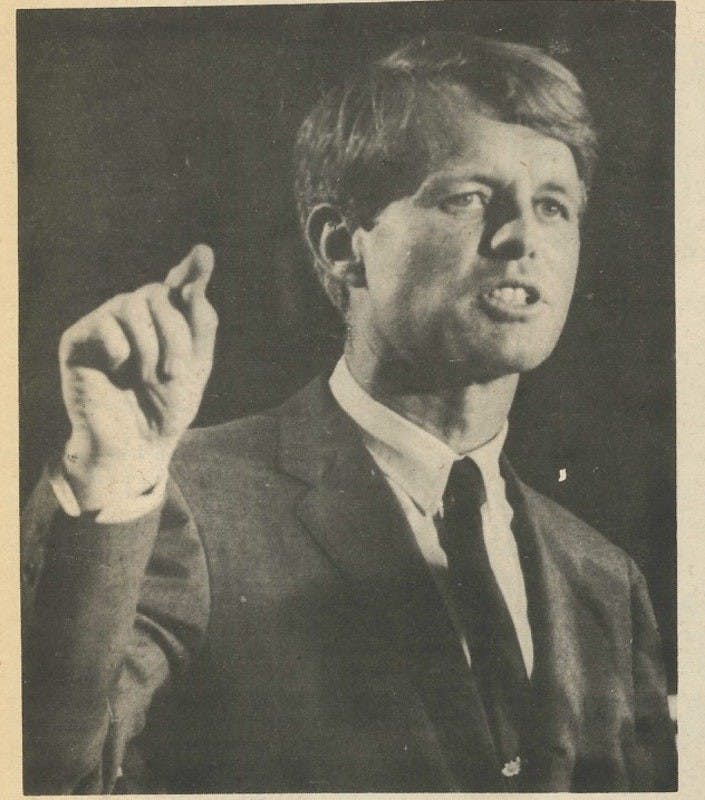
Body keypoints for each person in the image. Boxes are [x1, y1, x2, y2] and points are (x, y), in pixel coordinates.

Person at [21, 33, 676, 793]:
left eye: (553, 206)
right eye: (468, 198)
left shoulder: (603, 579)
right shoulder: (176, 498)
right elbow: (46, 775)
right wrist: (111, 469)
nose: (522, 237)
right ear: (341, 246)